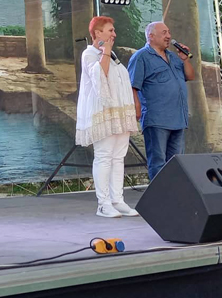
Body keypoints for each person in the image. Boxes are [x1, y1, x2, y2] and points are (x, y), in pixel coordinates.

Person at [75, 16, 141, 218]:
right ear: (97, 33)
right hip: (102, 113)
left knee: (118, 157)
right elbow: (99, 76)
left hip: (118, 112)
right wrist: (105, 51)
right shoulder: (90, 54)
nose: (114, 34)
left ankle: (117, 200)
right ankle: (103, 204)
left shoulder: (111, 54)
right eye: (110, 30)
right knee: (104, 157)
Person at [128, 22, 195, 181]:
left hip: (178, 118)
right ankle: (160, 194)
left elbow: (190, 76)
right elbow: (132, 86)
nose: (169, 36)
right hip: (157, 119)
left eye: (169, 32)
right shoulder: (141, 57)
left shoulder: (173, 57)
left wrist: (185, 59)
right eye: (164, 33)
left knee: (177, 162)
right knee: (158, 162)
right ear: (151, 36)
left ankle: (175, 193)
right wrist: (136, 107)